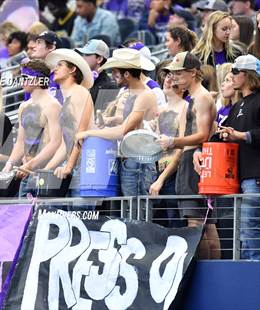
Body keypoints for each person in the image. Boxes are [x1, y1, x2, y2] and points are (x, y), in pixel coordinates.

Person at [196, 54, 260, 260]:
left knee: (250, 231)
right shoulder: (238, 105)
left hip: (255, 177)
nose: (231, 76)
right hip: (240, 178)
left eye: (235, 72)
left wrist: (240, 135)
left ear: (247, 75)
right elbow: (224, 136)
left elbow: (245, 134)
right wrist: (201, 151)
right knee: (243, 232)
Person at [157, 51, 219, 259]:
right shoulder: (198, 97)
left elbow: (202, 134)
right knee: (205, 223)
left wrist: (173, 141)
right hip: (193, 161)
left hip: (194, 165)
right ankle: (211, 273)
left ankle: (204, 271)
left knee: (196, 223)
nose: (174, 77)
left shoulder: (201, 98)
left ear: (193, 73)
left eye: (179, 73)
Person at [75, 48, 158, 197]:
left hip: (138, 162)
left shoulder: (145, 95)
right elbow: (126, 122)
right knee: (128, 210)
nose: (112, 76)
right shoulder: (130, 92)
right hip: (130, 159)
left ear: (126, 74)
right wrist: (110, 120)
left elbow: (123, 130)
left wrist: (88, 132)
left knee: (136, 210)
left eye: (115, 72)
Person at [2, 59, 62, 197]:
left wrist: (30, 165)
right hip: (26, 172)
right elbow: (20, 141)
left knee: (43, 216)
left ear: (37, 80)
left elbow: (55, 143)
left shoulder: (53, 106)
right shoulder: (24, 106)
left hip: (46, 171)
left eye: (25, 78)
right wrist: (9, 164)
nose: (21, 81)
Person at [42, 49, 95, 196]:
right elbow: (67, 143)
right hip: (75, 164)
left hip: (85, 164)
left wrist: (69, 166)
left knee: (78, 214)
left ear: (72, 69)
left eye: (60, 65)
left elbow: (80, 134)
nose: (55, 69)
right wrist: (47, 168)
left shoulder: (79, 92)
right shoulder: (68, 96)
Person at [149, 66, 187, 228]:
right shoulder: (161, 110)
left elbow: (182, 149)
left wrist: (161, 179)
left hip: (174, 174)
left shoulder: (185, 108)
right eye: (167, 76)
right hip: (157, 171)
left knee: (175, 224)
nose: (168, 80)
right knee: (158, 225)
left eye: (173, 78)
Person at [75, 39, 119, 111]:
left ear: (99, 59)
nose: (82, 58)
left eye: (87, 54)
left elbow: (100, 117)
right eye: (82, 54)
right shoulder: (78, 80)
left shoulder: (110, 87)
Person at [30, 31, 63, 103]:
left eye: (39, 42)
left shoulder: (61, 75)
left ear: (51, 47)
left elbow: (62, 107)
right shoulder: (35, 74)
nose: (33, 46)